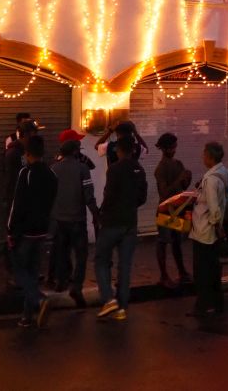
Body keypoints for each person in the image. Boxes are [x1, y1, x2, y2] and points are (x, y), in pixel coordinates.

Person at [95, 134, 147, 323]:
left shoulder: (114, 169)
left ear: (119, 150)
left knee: (101, 260)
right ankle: (121, 307)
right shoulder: (139, 169)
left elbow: (109, 196)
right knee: (124, 266)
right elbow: (143, 197)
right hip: (130, 223)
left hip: (112, 222)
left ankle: (108, 299)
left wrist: (101, 215)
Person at [7, 134, 58, 328]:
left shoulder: (25, 173)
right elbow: (51, 201)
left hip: (25, 232)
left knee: (20, 271)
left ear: (27, 153)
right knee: (33, 272)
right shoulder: (52, 174)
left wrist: (11, 230)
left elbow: (17, 204)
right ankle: (26, 317)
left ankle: (39, 299)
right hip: (42, 230)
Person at [49, 128, 100, 307]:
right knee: (81, 254)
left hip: (59, 219)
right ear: (75, 151)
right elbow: (88, 195)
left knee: (62, 252)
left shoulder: (53, 169)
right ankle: (76, 286)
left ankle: (60, 281)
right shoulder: (82, 168)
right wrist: (96, 213)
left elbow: (50, 195)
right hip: (77, 219)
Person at [189, 141, 228, 317]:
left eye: (204, 154)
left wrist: (216, 223)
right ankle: (217, 303)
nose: (202, 157)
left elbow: (213, 206)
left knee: (202, 271)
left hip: (205, 231)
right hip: (213, 229)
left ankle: (203, 305)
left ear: (210, 157)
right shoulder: (225, 173)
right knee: (215, 269)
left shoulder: (211, 179)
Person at [153, 132, 193, 289]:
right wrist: (180, 179)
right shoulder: (160, 169)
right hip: (165, 210)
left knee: (176, 241)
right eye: (173, 146)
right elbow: (164, 193)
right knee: (163, 241)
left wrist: (187, 179)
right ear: (166, 148)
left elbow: (182, 188)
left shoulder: (178, 164)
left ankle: (182, 272)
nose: (175, 149)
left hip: (178, 209)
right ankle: (164, 275)